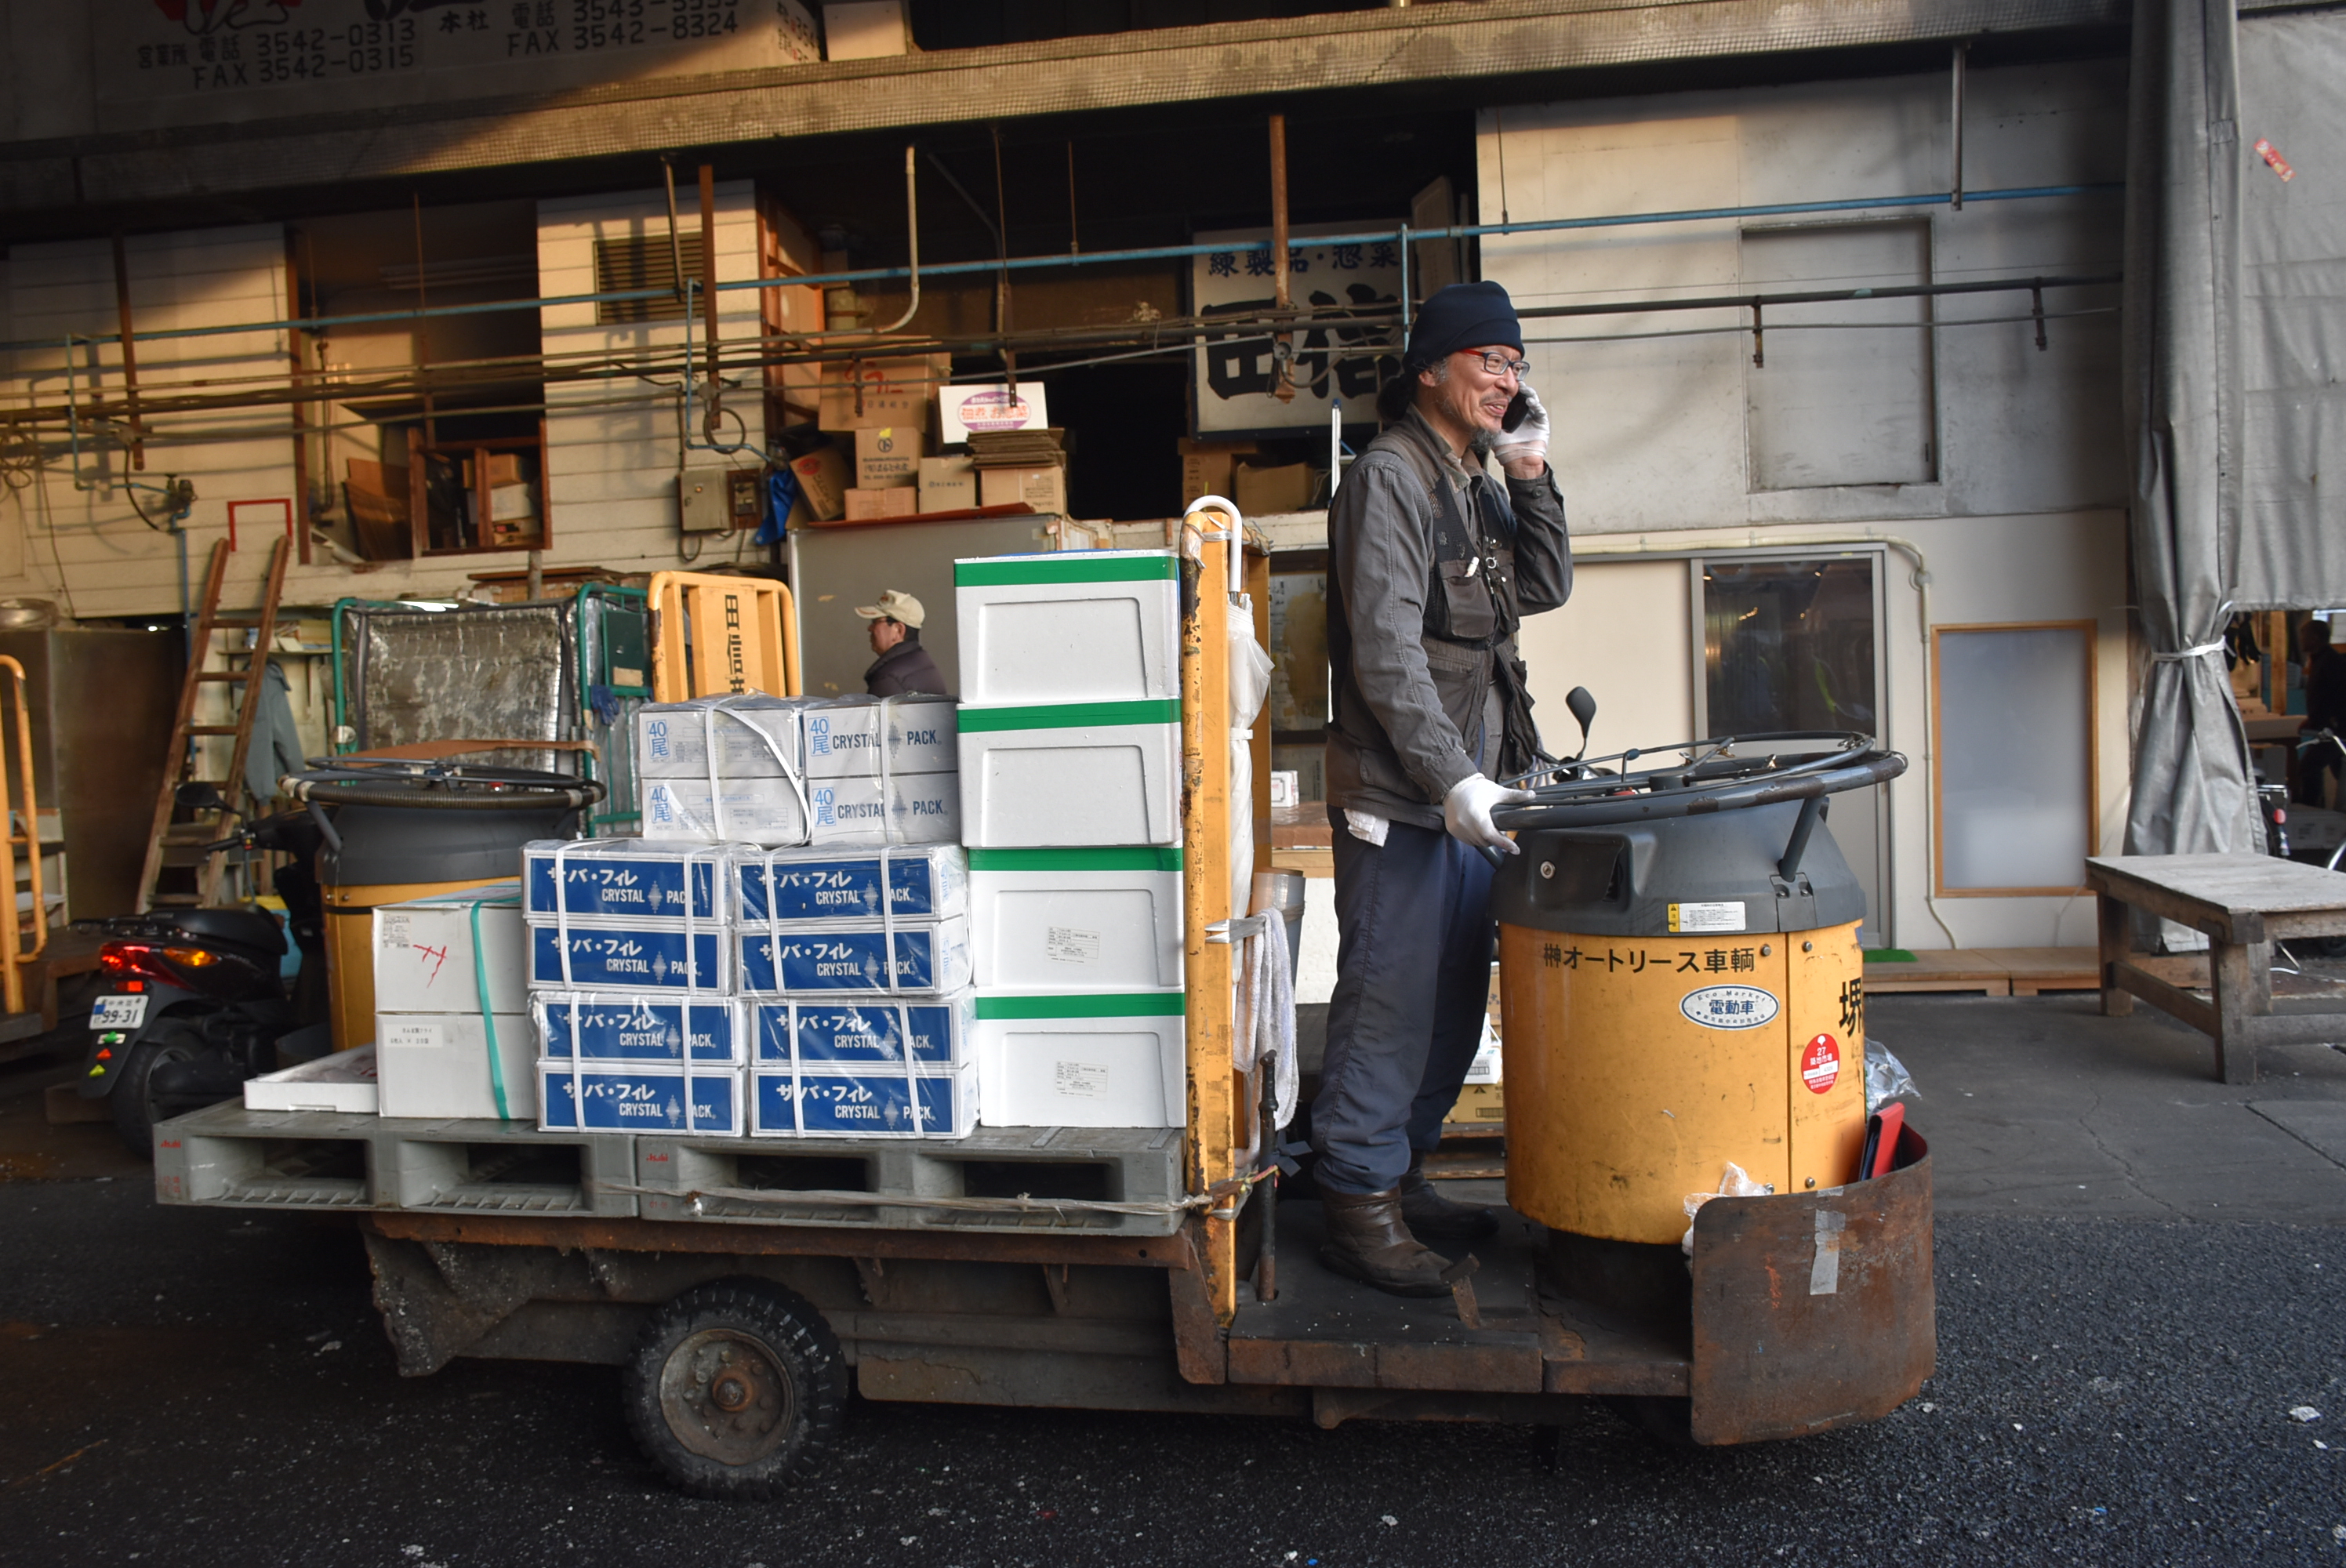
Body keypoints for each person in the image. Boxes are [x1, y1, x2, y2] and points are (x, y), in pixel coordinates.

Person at [1311, 279, 1574, 1298]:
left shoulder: (1472, 478)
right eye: (1489, 361)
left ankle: (1405, 1175)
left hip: (1473, 799)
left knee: (1455, 1004)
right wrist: (1455, 779)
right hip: (1408, 797)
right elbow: (1385, 653)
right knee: (1391, 1002)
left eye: (1516, 364)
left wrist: (1532, 468)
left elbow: (1543, 585)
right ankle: (1354, 1202)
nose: (1507, 378)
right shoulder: (1392, 477)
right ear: (1431, 368)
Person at [855, 589, 947, 697]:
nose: (870, 628)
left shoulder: (890, 680)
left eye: (876, 622)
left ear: (898, 630)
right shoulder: (921, 662)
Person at [2296, 618, 2346, 808]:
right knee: (2340, 770)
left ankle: (2310, 808)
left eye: (2304, 636)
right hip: (2327, 727)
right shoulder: (2319, 660)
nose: (2301, 640)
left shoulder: (2331, 662)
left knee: (2310, 767)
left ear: (2315, 638)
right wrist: (2312, 719)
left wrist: (2332, 721)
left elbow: (2338, 695)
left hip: (2335, 729)